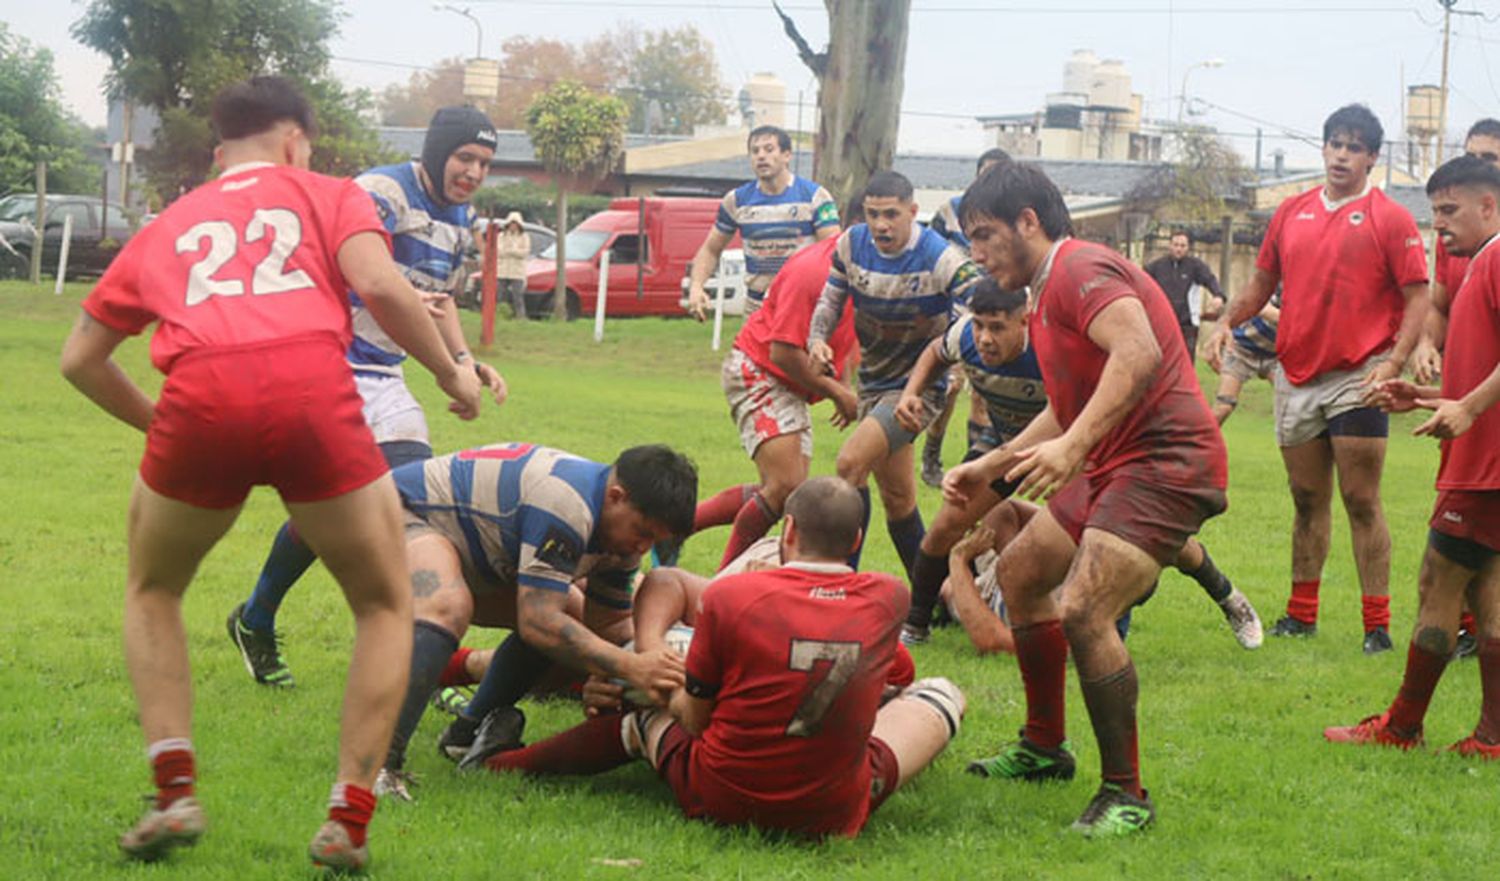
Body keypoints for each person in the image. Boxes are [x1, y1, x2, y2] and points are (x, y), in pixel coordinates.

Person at [57, 76, 483, 871]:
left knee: (154, 590)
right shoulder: (328, 192)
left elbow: (78, 359)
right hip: (311, 396)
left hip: (198, 404)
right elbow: (381, 285)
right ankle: (348, 815)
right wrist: (454, 372)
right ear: (296, 142)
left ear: (219, 155)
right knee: (387, 601)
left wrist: (170, 428)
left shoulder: (169, 222)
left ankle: (175, 788)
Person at [943, 161, 1229, 837]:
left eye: (984, 235)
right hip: (1117, 461)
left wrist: (1072, 450)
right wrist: (996, 458)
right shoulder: (1043, 291)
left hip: (1166, 462)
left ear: (1029, 222)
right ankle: (1045, 745)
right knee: (1020, 571)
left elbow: (1139, 354)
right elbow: (1071, 405)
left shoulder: (1077, 268)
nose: (976, 253)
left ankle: (1126, 793)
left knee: (1085, 607)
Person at [481, 477, 965, 839]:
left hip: (721, 792)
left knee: (643, 706)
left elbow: (695, 720)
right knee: (942, 694)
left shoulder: (735, 596)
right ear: (856, 541)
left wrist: (654, 682)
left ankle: (503, 762)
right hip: (835, 809)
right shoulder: (888, 596)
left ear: (787, 530)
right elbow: (900, 672)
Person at [227, 104, 508, 688]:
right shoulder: (380, 192)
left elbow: (440, 299)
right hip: (321, 365)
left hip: (382, 375)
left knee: (406, 506)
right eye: (465, 157)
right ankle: (407, 664)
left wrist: (462, 362)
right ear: (436, 151)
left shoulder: (460, 214)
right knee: (360, 510)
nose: (474, 172)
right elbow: (371, 282)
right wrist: (445, 372)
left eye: (485, 162)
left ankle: (269, 622)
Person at [896, 279, 1259, 649]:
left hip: (1073, 446)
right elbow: (934, 354)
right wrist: (911, 393)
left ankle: (1221, 594)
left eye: (997, 327)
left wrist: (1072, 450)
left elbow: (1097, 401)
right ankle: (917, 626)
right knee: (950, 521)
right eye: (979, 325)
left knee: (1113, 532)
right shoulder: (965, 337)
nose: (985, 338)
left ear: (1025, 322)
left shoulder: (1052, 346)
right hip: (1006, 445)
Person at [1207, 104, 1430, 653]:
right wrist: (1222, 323)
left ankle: (1376, 625)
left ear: (1372, 159)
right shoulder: (1291, 212)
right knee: (1307, 498)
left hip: (1359, 373)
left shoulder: (1390, 218)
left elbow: (1418, 296)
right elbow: (1260, 285)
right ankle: (1301, 615)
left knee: (1361, 499)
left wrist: (1394, 363)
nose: (1341, 155)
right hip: (1296, 373)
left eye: (1354, 147)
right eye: (1334, 143)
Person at [372, 442, 698, 800]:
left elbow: (607, 626)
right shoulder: (567, 503)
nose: (642, 548)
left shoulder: (617, 534)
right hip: (394, 512)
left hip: (470, 548)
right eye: (643, 532)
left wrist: (618, 675)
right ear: (617, 497)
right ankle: (380, 763)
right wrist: (630, 665)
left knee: (565, 620)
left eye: (653, 541)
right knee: (455, 607)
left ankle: (464, 735)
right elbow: (539, 621)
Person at [1323, 154, 1500, 758]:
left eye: (1450, 211)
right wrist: (1425, 394)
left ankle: (1402, 728)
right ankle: (1491, 737)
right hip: (1480, 459)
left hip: (1487, 465)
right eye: (1434, 214)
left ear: (1489, 205)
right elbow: (1482, 368)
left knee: (1437, 581)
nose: (1439, 227)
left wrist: (1469, 410)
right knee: (1487, 591)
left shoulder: (1499, 257)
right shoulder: (1479, 264)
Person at [807, 170, 983, 578]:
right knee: (899, 499)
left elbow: (982, 305)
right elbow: (830, 300)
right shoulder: (851, 244)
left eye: (891, 214)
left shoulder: (939, 255)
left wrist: (952, 351)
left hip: (920, 390)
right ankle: (933, 596)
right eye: (873, 214)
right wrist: (818, 340)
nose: (882, 225)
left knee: (850, 464)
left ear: (912, 211)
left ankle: (840, 582)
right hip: (874, 381)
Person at [683, 197, 862, 571]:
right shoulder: (814, 270)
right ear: (854, 227)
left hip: (791, 381)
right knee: (786, 487)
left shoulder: (876, 275)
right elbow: (782, 353)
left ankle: (680, 528)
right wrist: (836, 392)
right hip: (758, 368)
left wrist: (846, 385)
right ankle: (723, 583)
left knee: (786, 492)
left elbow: (850, 337)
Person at [921, 148, 1013, 488]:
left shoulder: (1012, 218)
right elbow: (930, 253)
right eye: (985, 173)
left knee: (982, 393)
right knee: (949, 388)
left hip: (998, 318)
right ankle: (932, 449)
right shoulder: (950, 211)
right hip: (958, 316)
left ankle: (976, 459)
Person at [685, 125, 840, 320]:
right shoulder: (737, 200)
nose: (761, 156)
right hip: (757, 307)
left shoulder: (815, 196)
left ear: (786, 155)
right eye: (755, 151)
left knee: (794, 352)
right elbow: (710, 249)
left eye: (768, 149)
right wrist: (696, 287)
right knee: (745, 352)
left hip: (803, 305)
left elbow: (833, 252)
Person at [1143, 229, 1224, 364]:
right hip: (1163, 321)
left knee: (1185, 360)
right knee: (1161, 358)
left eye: (1182, 246)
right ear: (1170, 245)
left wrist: (1218, 295)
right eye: (1175, 245)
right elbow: (1142, 281)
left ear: (1188, 247)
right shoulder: (1157, 266)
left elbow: (1210, 280)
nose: (1178, 249)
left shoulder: (1195, 266)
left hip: (1188, 323)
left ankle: (1186, 385)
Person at [1210, 288, 1280, 425]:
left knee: (1292, 406)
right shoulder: (1282, 285)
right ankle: (1196, 442)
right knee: (1224, 407)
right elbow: (1261, 306)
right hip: (1241, 348)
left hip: (1275, 356)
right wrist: (1292, 319)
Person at [495, 210, 532, 319]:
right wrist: (513, 251)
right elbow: (499, 251)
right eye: (511, 223)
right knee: (501, 296)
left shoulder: (524, 237)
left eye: (515, 223)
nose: (513, 226)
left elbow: (524, 252)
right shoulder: (501, 236)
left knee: (518, 297)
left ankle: (520, 317)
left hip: (517, 272)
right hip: (503, 270)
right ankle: (500, 315)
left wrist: (511, 250)